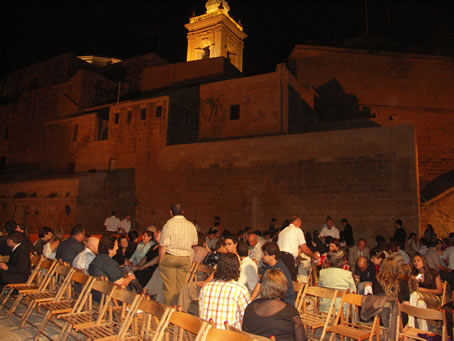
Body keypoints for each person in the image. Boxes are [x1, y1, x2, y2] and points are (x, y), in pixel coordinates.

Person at [243, 269, 307, 341]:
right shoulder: (290, 312)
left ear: (263, 286)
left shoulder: (250, 308)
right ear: (284, 286)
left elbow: (244, 332)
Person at [159, 203, 198, 305]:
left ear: (170, 212)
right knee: (180, 287)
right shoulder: (191, 225)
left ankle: (168, 314)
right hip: (185, 258)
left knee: (169, 289)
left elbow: (163, 245)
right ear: (183, 211)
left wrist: (161, 261)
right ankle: (178, 311)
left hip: (171, 257)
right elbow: (195, 243)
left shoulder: (169, 224)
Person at [199, 252, 250, 329]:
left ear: (217, 268)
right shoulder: (240, 290)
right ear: (237, 269)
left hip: (206, 335)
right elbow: (246, 318)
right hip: (227, 336)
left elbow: (201, 313)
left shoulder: (206, 288)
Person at [277, 216, 319, 282]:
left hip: (278, 257)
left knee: (281, 280)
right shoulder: (297, 230)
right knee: (291, 280)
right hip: (287, 257)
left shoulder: (282, 231)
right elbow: (305, 249)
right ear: (298, 222)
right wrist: (314, 256)